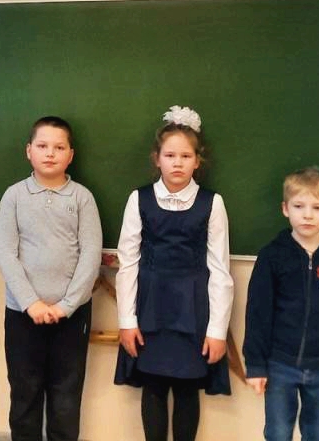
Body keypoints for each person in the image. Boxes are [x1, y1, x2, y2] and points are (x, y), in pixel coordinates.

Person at [114, 105, 234, 441]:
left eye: (185, 156)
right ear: (157, 159)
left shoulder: (212, 203)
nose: (177, 163)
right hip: (150, 308)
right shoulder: (139, 199)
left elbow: (220, 270)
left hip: (193, 310)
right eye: (170, 155)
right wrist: (127, 320)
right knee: (152, 385)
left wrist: (217, 330)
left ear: (198, 161)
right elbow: (128, 263)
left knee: (186, 388)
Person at [0, 116, 102, 441]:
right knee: (24, 394)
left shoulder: (82, 197)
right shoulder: (14, 196)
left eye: (59, 147)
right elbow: (6, 253)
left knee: (66, 396)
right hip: (22, 314)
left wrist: (66, 306)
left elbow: (90, 254)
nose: (50, 153)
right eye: (42, 146)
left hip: (72, 316)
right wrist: (32, 303)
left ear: (71, 154)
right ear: (29, 151)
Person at [243, 166, 319, 441]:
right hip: (280, 365)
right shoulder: (272, 256)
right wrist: (255, 365)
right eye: (299, 206)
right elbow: (258, 314)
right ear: (285, 209)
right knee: (277, 434)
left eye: (317, 208)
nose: (307, 215)